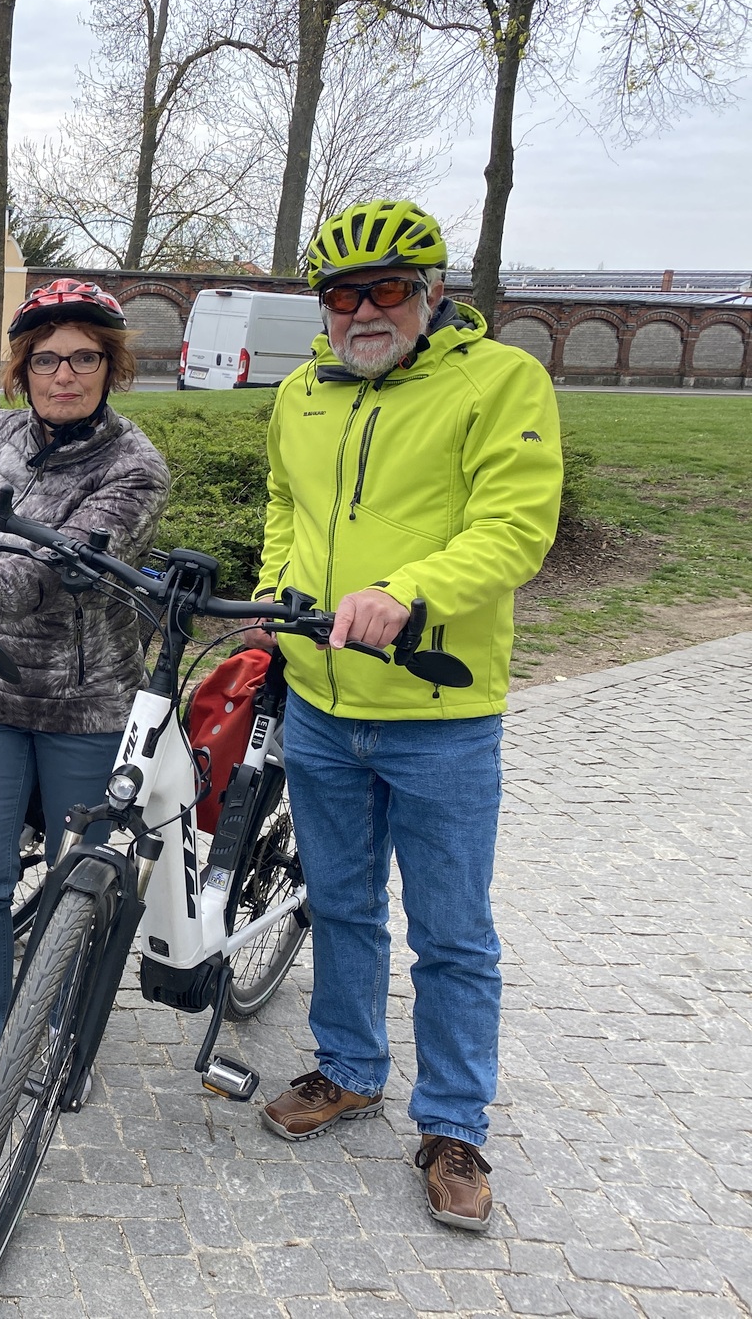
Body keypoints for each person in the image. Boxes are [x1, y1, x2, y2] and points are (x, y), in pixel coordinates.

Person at [250, 199, 562, 1229]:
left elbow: (514, 526)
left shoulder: (500, 381)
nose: (363, 311)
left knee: (453, 933)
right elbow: (286, 511)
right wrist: (270, 599)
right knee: (338, 904)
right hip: (321, 704)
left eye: (387, 289)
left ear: (431, 295)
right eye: (343, 295)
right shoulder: (300, 393)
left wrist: (410, 590)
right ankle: (347, 1068)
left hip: (440, 710)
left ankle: (454, 1123)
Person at [0, 279, 170, 1132]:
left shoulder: (134, 468)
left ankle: (54, 1039)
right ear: (24, 368)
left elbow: (62, 566)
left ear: (111, 367)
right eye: (48, 359)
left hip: (84, 702)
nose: (65, 375)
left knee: (70, 882)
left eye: (85, 358)